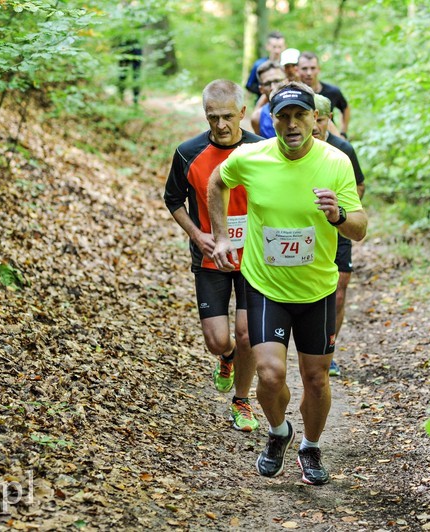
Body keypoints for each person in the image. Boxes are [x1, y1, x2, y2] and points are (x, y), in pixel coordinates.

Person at [207, 82, 367, 485]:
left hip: (317, 290)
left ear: (316, 119)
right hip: (265, 286)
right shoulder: (251, 157)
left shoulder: (336, 162)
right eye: (283, 116)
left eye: (300, 115)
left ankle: (311, 446)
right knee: (270, 374)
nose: (292, 124)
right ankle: (279, 432)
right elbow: (217, 183)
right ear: (271, 120)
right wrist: (222, 236)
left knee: (315, 378)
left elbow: (360, 228)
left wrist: (338, 215)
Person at [163, 80, 262, 432]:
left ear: (243, 114)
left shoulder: (263, 150)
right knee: (217, 340)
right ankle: (227, 357)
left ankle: (242, 401)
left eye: (228, 117)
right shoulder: (188, 153)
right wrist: (198, 234)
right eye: (213, 117)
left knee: (249, 332)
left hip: (253, 258)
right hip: (210, 259)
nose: (220, 125)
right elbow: (172, 200)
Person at [311, 95, 365, 377]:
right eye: (314, 118)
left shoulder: (343, 149)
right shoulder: (294, 147)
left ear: (328, 119)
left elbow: (359, 186)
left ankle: (328, 349)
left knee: (339, 294)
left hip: (338, 226)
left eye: (321, 119)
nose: (316, 125)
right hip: (307, 232)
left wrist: (340, 210)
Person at [297, 51, 351, 138]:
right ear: (297, 69)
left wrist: (343, 133)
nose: (309, 73)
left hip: (329, 139)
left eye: (313, 68)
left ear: (319, 69)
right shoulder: (293, 94)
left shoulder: (332, 91)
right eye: (304, 68)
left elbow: (345, 108)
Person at [250, 61, 286, 138]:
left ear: (286, 81)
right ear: (261, 89)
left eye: (277, 81)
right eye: (267, 84)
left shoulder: (303, 109)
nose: (273, 87)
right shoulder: (258, 118)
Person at [245, 31, 286, 98]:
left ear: (284, 47)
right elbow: (249, 85)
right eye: (274, 47)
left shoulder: (288, 65)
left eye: (280, 47)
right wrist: (265, 89)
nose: (277, 51)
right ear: (267, 47)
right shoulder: (259, 64)